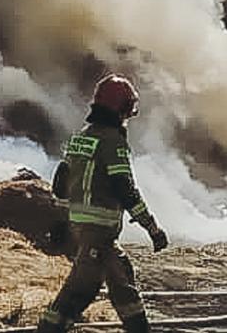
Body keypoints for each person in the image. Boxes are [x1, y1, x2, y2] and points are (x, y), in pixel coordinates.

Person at [35, 74, 168, 333]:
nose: (129, 115)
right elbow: (125, 188)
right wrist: (152, 228)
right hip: (98, 233)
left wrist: (65, 221)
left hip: (88, 232)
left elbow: (63, 184)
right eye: (127, 109)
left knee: (123, 284)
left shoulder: (80, 139)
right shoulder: (112, 142)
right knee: (78, 293)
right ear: (120, 108)